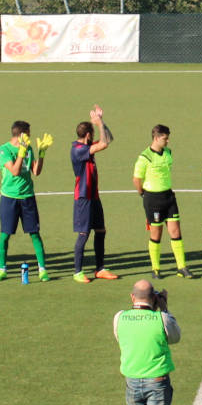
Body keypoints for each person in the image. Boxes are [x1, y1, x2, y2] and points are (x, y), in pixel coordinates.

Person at [135, 124, 193, 279]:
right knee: (156, 233)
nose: (167, 141)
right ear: (156, 138)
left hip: (168, 197)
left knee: (176, 232)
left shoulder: (168, 152)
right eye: (165, 138)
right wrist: (143, 194)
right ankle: (156, 269)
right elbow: (136, 179)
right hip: (152, 199)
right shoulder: (145, 156)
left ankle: (181, 267)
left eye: (168, 138)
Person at [0, 120, 49, 281]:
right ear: (22, 135)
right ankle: (2, 269)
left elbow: (36, 172)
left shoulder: (29, 148)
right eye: (29, 134)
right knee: (5, 235)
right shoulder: (3, 150)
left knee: (35, 234)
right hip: (9, 198)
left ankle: (42, 269)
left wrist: (42, 153)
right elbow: (16, 171)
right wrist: (21, 152)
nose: (31, 138)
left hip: (27, 197)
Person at [71, 106, 118, 283]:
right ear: (88, 135)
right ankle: (77, 271)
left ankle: (100, 269)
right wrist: (98, 123)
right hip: (83, 197)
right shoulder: (78, 149)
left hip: (93, 196)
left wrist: (101, 122)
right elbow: (104, 143)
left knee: (100, 230)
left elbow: (109, 139)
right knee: (83, 234)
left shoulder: (87, 145)